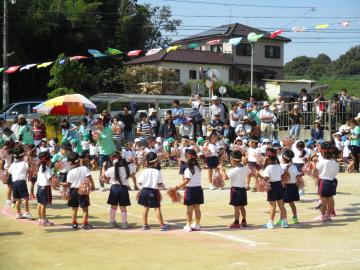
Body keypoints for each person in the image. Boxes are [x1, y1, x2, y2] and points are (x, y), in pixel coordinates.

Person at [61, 151, 95, 230]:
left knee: (74, 208)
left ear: (70, 162)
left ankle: (74, 223)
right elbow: (90, 178)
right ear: (79, 160)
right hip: (82, 191)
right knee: (85, 209)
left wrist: (59, 183)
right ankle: (85, 223)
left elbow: (68, 184)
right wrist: (93, 186)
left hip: (73, 191)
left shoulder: (70, 172)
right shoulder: (84, 168)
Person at [172, 149, 203, 232]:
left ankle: (188, 225)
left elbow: (186, 181)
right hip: (199, 189)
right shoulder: (198, 168)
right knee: (197, 208)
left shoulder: (188, 170)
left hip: (190, 190)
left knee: (189, 209)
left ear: (188, 158)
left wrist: (176, 187)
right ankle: (197, 225)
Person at [137, 152, 169, 231]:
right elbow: (160, 184)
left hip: (144, 190)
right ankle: (162, 225)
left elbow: (139, 182)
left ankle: (145, 224)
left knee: (145, 207)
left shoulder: (144, 171)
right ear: (155, 162)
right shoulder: (157, 172)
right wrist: (163, 187)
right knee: (157, 208)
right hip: (153, 191)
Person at [220, 150, 250, 229]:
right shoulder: (245, 168)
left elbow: (225, 178)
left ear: (232, 160)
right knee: (242, 206)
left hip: (235, 190)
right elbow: (248, 171)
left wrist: (222, 170)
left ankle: (236, 222)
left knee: (236, 207)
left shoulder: (233, 170)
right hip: (243, 190)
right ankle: (244, 221)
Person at [261, 148, 288, 229]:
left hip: (272, 187)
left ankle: (271, 223)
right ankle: (285, 222)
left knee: (272, 206)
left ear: (267, 157)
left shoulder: (268, 168)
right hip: (279, 185)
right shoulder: (278, 166)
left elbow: (266, 178)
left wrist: (259, 175)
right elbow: (282, 174)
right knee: (281, 205)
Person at [103, 152, 131, 229]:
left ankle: (112, 222)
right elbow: (134, 170)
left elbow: (104, 175)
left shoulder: (111, 169)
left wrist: (103, 166)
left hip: (114, 188)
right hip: (124, 188)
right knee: (123, 207)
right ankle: (124, 223)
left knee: (113, 207)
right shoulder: (126, 168)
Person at [315, 141, 339, 222]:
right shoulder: (335, 162)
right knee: (330, 198)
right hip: (332, 181)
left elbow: (318, 169)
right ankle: (329, 215)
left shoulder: (322, 161)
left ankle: (322, 215)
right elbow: (336, 172)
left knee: (323, 200)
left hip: (324, 181)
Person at [8, 145, 33, 219]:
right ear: (22, 156)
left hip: (15, 183)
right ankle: (27, 212)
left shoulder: (12, 165)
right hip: (21, 182)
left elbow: (9, 172)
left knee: (17, 199)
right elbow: (29, 168)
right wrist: (29, 157)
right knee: (25, 198)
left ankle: (18, 214)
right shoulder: (24, 164)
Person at [92, 118, 116, 191]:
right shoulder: (95, 132)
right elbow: (96, 139)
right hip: (103, 153)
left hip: (112, 151)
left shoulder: (109, 129)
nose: (96, 126)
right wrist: (97, 135)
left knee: (115, 169)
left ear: (101, 123)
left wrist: (115, 124)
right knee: (102, 169)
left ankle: (114, 183)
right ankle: (101, 185)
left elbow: (117, 131)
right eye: (95, 124)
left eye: (97, 124)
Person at [280, 149, 301, 225]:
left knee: (281, 204)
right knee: (292, 203)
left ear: (283, 158)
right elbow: (298, 176)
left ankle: (282, 218)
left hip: (285, 187)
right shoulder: (294, 166)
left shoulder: (282, 166)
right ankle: (295, 218)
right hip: (293, 186)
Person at [36, 151, 54, 226]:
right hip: (45, 188)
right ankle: (44, 220)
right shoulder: (47, 169)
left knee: (39, 203)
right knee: (43, 204)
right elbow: (50, 179)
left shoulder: (40, 167)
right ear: (48, 160)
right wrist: (56, 185)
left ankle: (40, 219)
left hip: (39, 187)